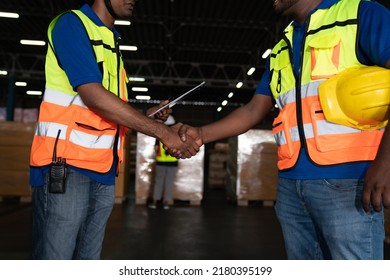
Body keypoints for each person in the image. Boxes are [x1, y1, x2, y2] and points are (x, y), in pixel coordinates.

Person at [175, 0, 390, 259]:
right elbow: (254, 110)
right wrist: (201, 135)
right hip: (291, 188)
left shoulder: (360, 14)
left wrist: (386, 163)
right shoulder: (281, 48)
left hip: (349, 182)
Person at [29, 0, 199, 260]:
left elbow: (109, 112)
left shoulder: (112, 42)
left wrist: (147, 116)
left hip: (103, 170)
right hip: (66, 165)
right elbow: (94, 97)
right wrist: (163, 132)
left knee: (89, 260)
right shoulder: (72, 25)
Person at [149, 116, 179, 210]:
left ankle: (155, 201)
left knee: (159, 182)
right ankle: (166, 202)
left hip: (161, 162)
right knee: (168, 182)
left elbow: (156, 149)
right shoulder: (176, 137)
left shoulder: (159, 137)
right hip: (171, 163)